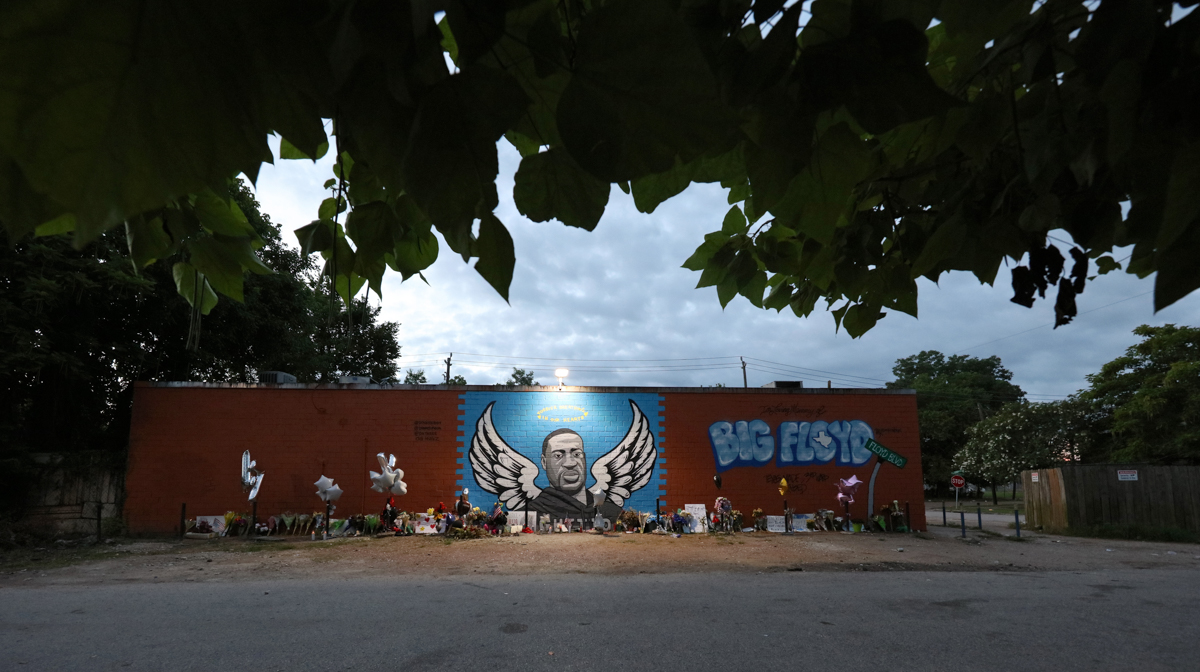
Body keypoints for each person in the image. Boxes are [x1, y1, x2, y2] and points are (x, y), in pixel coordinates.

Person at [527, 429, 623, 523]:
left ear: (584, 459)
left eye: (577, 454)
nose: (570, 463)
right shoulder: (531, 512)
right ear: (544, 462)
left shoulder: (612, 513)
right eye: (558, 455)